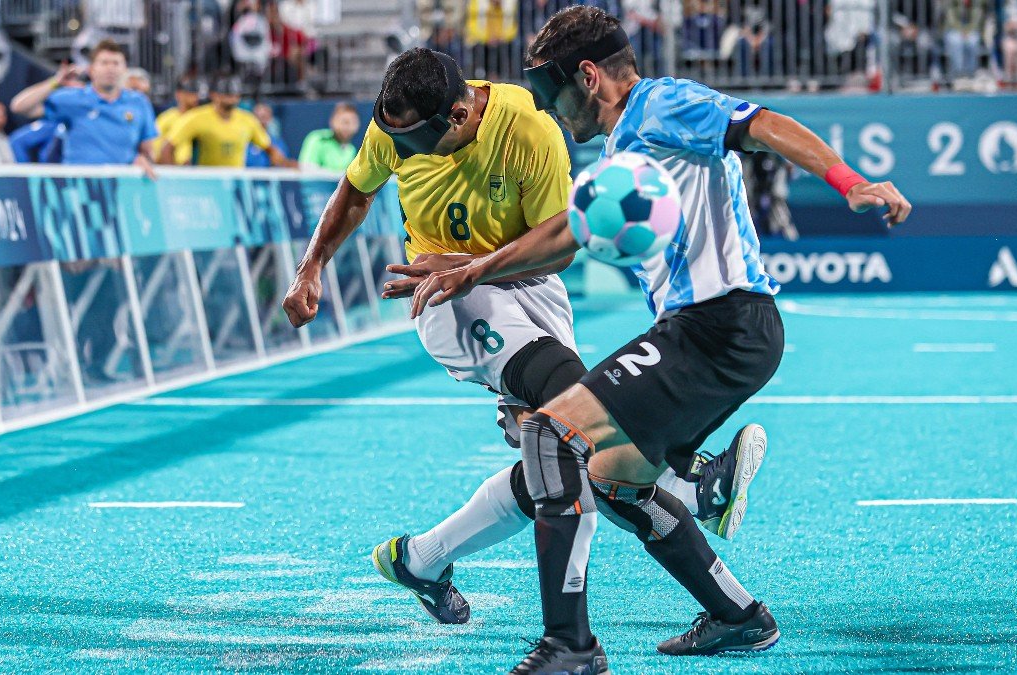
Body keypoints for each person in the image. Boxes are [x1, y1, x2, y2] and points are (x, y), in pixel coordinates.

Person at [403, 7, 911, 672]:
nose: (554, 114)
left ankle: (570, 647)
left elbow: (764, 127)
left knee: (553, 433)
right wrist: (473, 268)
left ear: (587, 77)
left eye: (553, 95)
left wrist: (850, 182)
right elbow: (564, 234)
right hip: (707, 331)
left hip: (719, 324)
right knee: (616, 481)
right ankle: (740, 616)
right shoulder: (623, 149)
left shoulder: (659, 102)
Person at [281, 47, 761, 628]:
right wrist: (310, 268)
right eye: (393, 138)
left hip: (525, 286)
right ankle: (688, 492)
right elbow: (356, 192)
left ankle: (422, 559)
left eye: (414, 142)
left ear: (457, 116)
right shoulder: (398, 124)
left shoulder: (529, 131)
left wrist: (469, 261)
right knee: (580, 429)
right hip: (449, 298)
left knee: (568, 460)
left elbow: (553, 251)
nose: (400, 151)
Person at [9, 40, 157, 177]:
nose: (110, 68)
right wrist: (55, 81)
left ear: (124, 69)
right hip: (80, 189)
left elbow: (147, 150)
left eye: (116, 63)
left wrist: (142, 159)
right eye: (104, 63)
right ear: (91, 69)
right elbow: (19, 106)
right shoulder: (73, 99)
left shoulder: (139, 102)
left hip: (120, 189)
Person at [159, 74, 294, 168]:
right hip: (208, 182)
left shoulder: (247, 120)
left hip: (236, 184)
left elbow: (270, 149)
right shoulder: (196, 117)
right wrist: (173, 178)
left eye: (233, 95)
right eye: (225, 95)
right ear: (213, 95)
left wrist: (285, 164)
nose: (229, 99)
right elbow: (167, 147)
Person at [297, 102, 360, 172]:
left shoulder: (351, 150)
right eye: (345, 122)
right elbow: (306, 170)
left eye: (354, 122)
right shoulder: (317, 139)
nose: (349, 127)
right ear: (332, 121)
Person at [154, 76, 201, 165]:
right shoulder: (166, 118)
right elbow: (155, 151)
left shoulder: (201, 117)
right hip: (175, 169)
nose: (195, 97)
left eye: (196, 94)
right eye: (189, 93)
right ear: (178, 94)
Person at [245, 101, 290, 167]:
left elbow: (282, 164)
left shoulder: (278, 143)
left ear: (270, 118)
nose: (260, 121)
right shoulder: (244, 141)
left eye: (263, 117)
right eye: (257, 117)